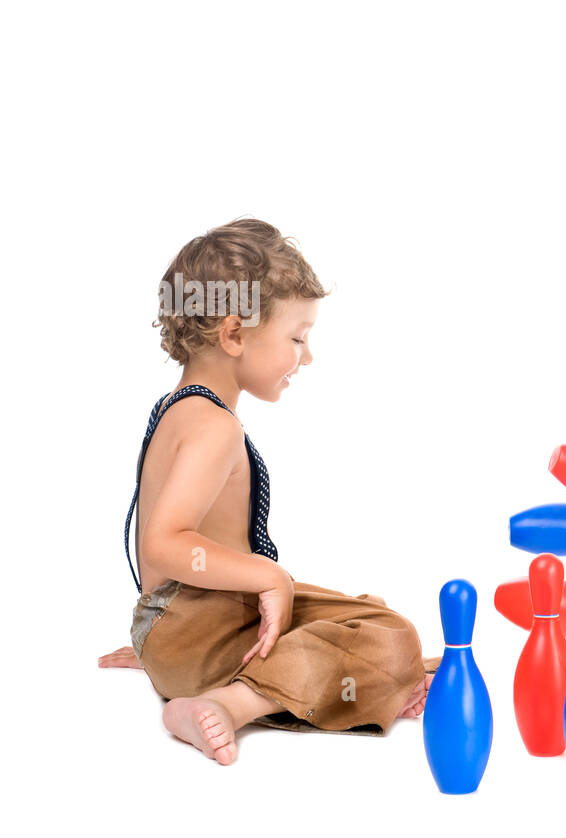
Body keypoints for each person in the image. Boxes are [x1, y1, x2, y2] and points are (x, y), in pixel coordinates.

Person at [99, 218, 433, 765]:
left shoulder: (181, 408)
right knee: (392, 638)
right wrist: (267, 577)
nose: (306, 357)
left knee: (365, 615)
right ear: (233, 335)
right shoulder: (213, 425)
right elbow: (163, 543)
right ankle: (228, 702)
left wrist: (157, 640)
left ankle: (198, 668)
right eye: (297, 338)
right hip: (197, 630)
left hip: (188, 629)